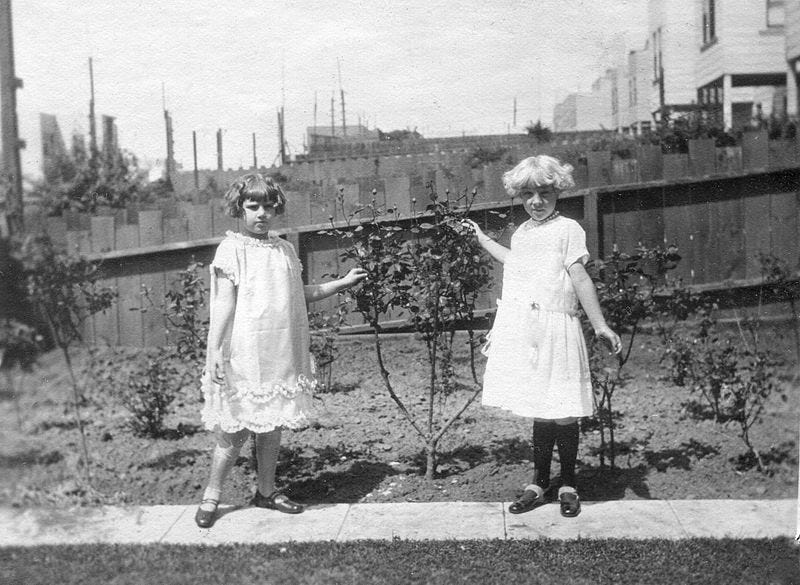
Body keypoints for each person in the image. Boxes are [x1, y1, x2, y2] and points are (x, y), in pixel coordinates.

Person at [195, 173, 367, 528]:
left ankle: (266, 491)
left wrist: (341, 283)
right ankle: (212, 495)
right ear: (239, 208)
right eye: (253, 205)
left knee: (271, 426)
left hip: (280, 350)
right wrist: (214, 352)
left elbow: (299, 293)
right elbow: (223, 305)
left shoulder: (285, 249)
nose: (261, 213)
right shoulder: (232, 249)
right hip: (244, 352)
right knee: (235, 430)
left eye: (268, 206)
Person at [463, 155, 621, 518]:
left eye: (545, 193)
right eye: (528, 194)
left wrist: (599, 324)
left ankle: (567, 483)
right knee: (540, 407)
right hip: (530, 329)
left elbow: (579, 278)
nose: (536, 201)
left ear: (558, 191)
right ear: (520, 196)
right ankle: (538, 482)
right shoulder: (523, 233)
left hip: (558, 327)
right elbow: (516, 263)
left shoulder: (568, 229)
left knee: (563, 411)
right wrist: (483, 239)